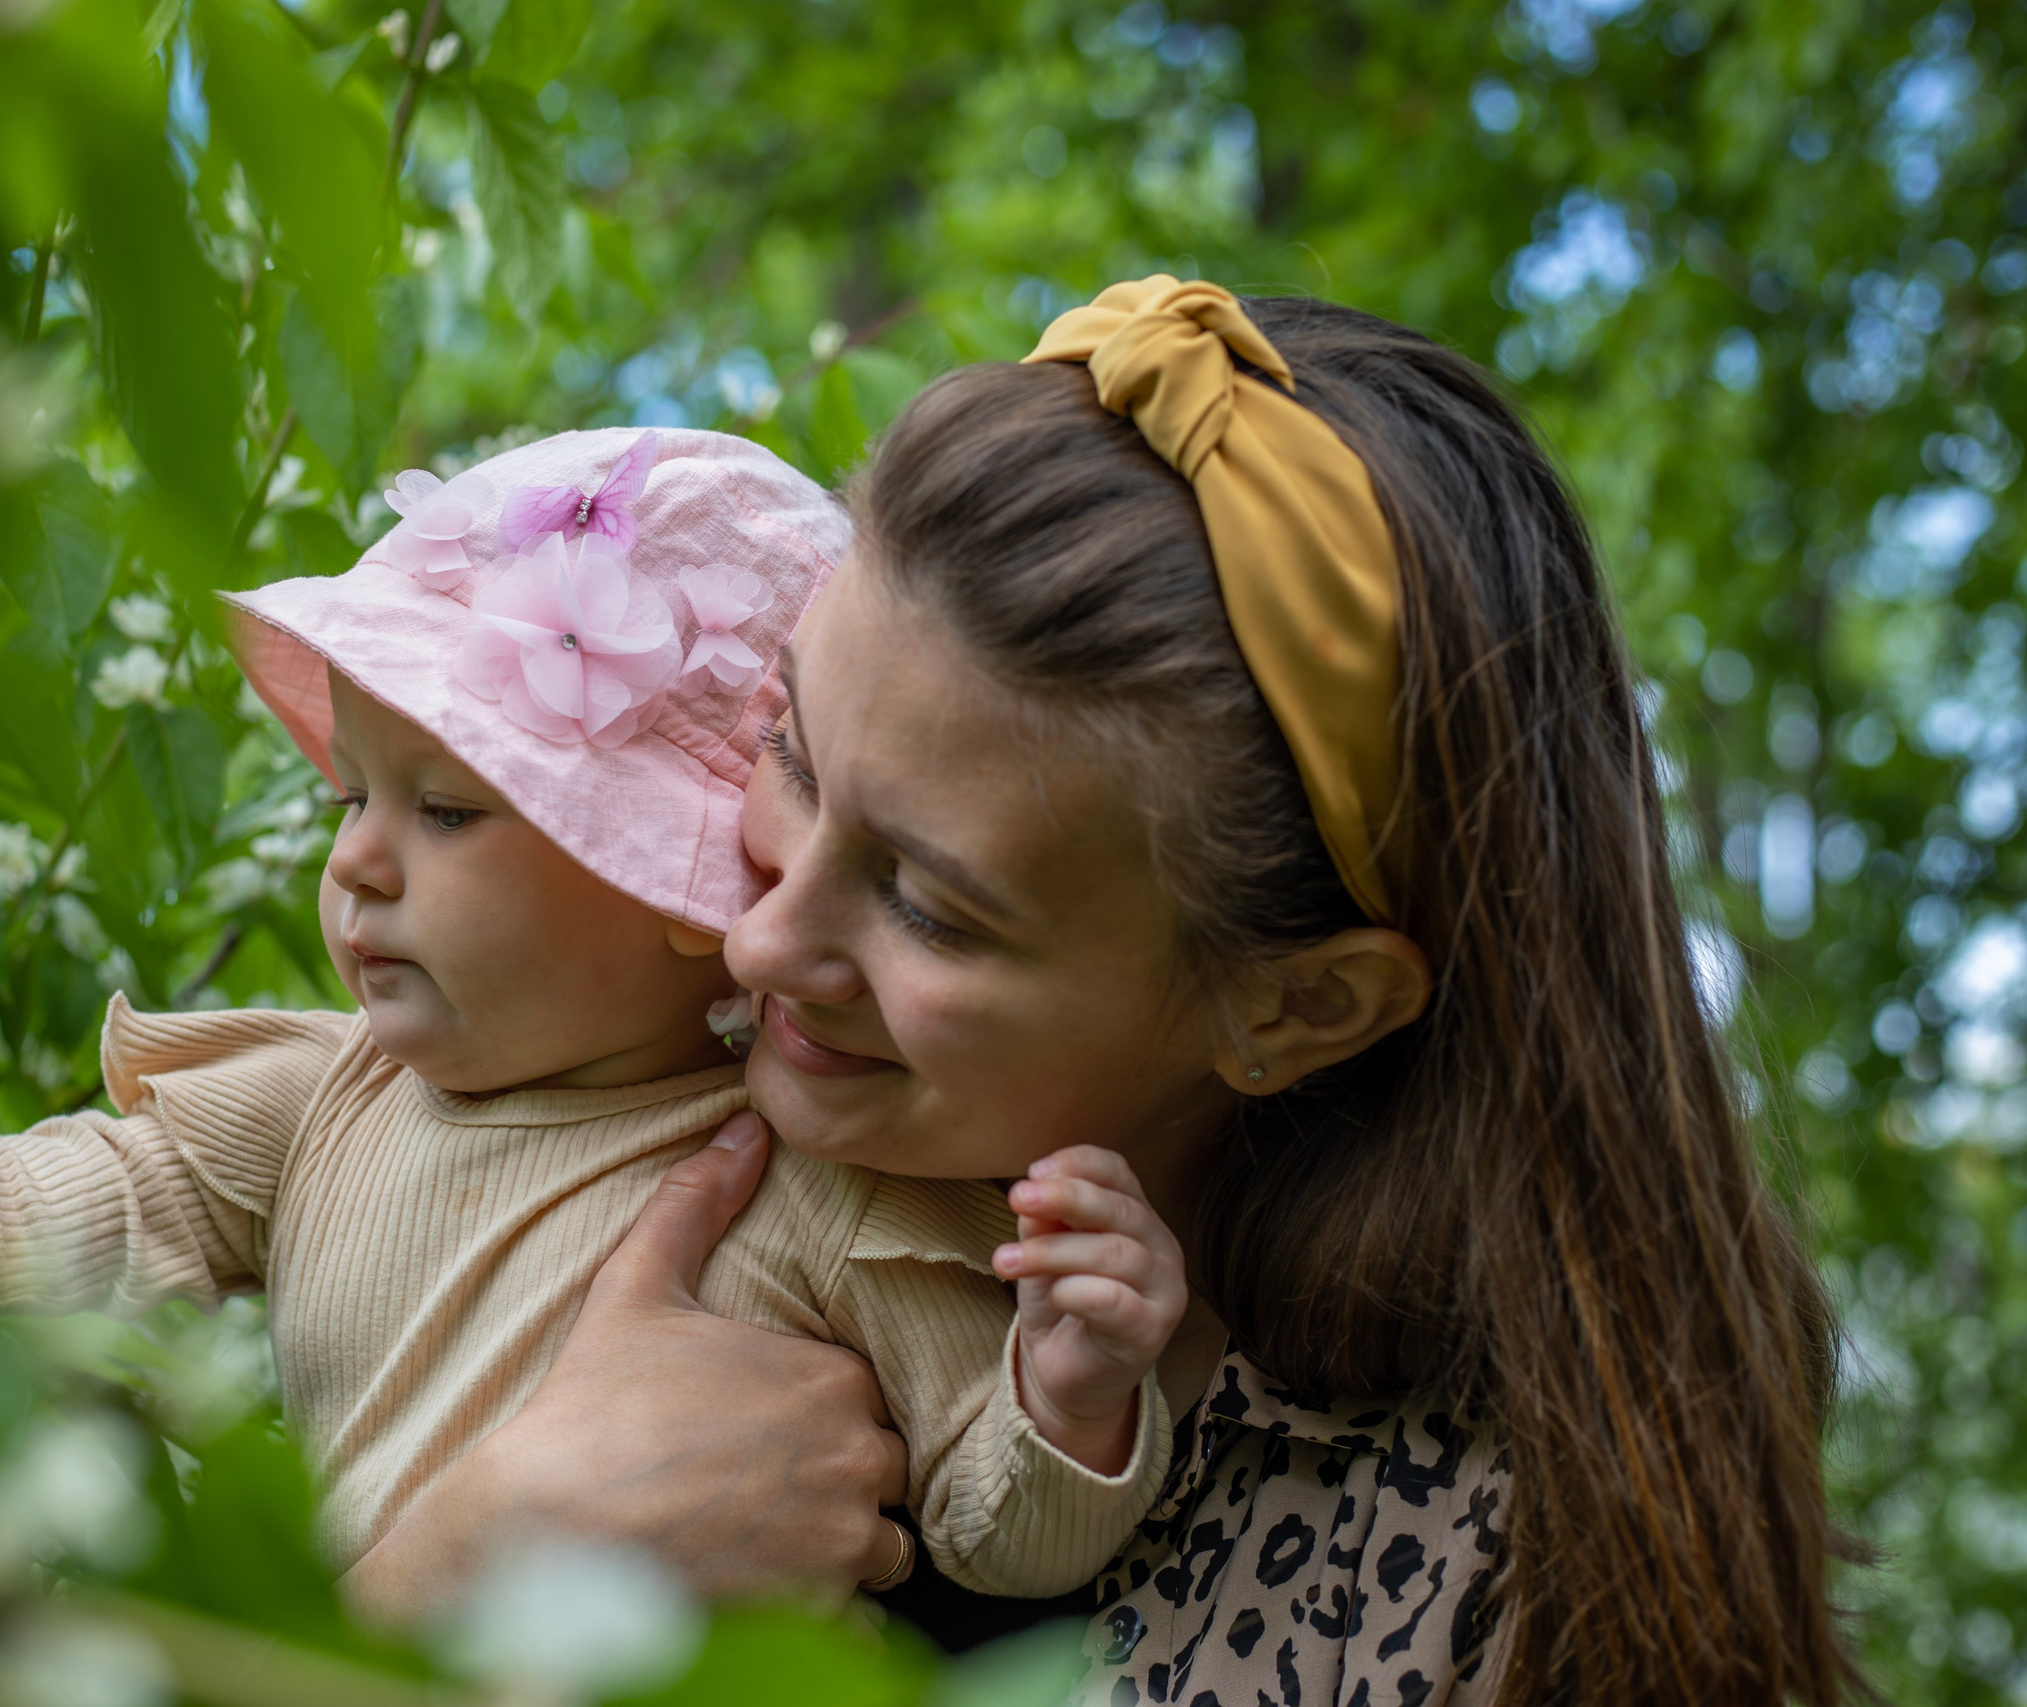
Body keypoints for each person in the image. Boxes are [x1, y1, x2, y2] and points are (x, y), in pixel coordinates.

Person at [348, 281, 1856, 1704]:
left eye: (929, 905)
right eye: (788, 754)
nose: (760, 944)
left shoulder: (1471, 1577)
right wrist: (454, 1565)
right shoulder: (561, 1093)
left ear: (1296, 1008)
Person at [0, 426, 1193, 1602]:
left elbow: (996, 1535)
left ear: (681, 892)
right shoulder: (332, 1094)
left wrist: (1068, 1397)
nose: (357, 862)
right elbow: (70, 1199)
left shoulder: (815, 1190)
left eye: (444, 811)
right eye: (349, 795)